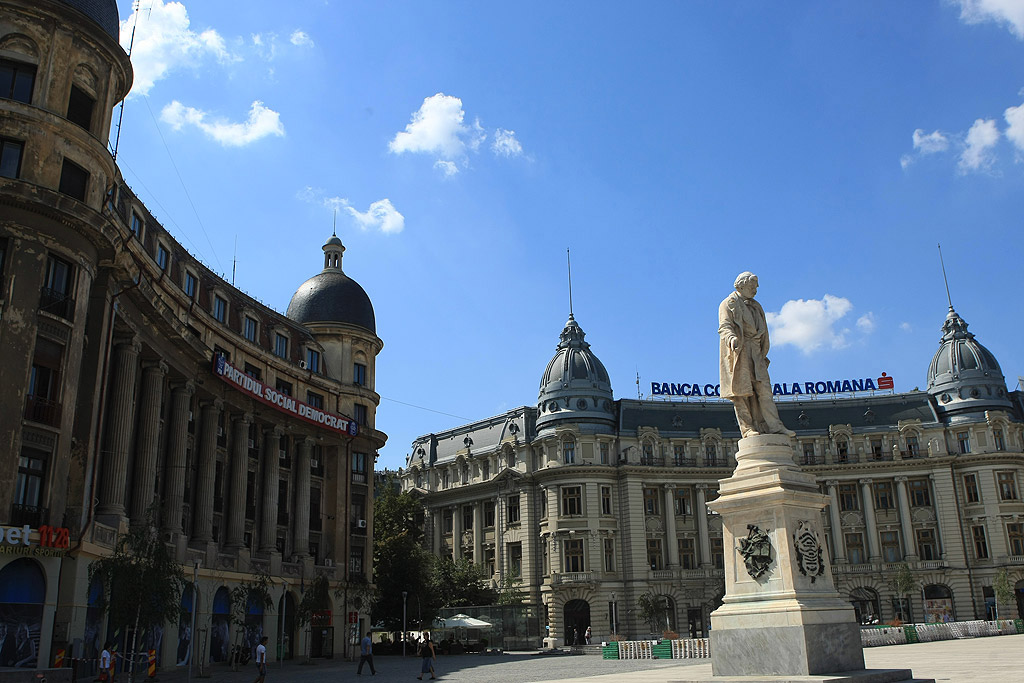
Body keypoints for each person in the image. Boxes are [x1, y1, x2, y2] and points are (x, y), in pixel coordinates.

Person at [718, 272, 795, 438]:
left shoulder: (756, 306)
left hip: (756, 352)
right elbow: (724, 326)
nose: (756, 289)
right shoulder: (728, 304)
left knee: (764, 390)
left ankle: (775, 426)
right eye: (753, 286)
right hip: (739, 351)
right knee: (741, 393)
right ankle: (747, 429)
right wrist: (732, 339)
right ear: (742, 285)